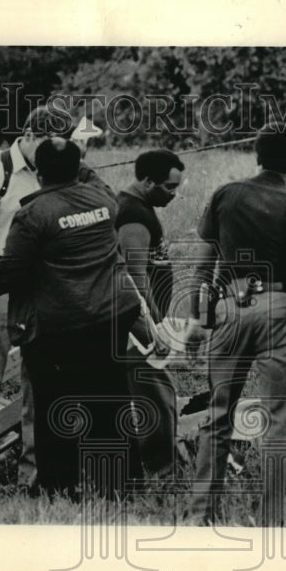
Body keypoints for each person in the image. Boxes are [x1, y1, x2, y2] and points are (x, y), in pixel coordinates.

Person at [0, 137, 141, 498]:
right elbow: (91, 177)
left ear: (39, 173)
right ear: (77, 168)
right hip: (109, 318)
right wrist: (76, 154)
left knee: (53, 409)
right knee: (110, 401)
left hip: (61, 326)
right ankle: (120, 486)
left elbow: (9, 275)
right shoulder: (105, 200)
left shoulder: (33, 213)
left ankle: (59, 488)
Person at [183, 122, 286, 526]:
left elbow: (201, 267)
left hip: (229, 307)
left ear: (256, 153)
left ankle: (200, 517)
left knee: (217, 414)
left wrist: (197, 320)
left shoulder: (225, 195)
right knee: (278, 420)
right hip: (277, 309)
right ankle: (270, 521)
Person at [0, 105, 106, 491]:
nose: (57, 148)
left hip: (43, 286)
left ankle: (34, 477)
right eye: (53, 141)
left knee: (38, 386)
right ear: (30, 134)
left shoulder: (59, 163)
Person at [115, 149, 185, 477]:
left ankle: (146, 462)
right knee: (156, 392)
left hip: (141, 319)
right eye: (169, 188)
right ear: (146, 181)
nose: (173, 195)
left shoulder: (141, 206)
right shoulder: (132, 213)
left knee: (146, 391)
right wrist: (155, 326)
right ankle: (161, 470)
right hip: (137, 321)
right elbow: (134, 275)